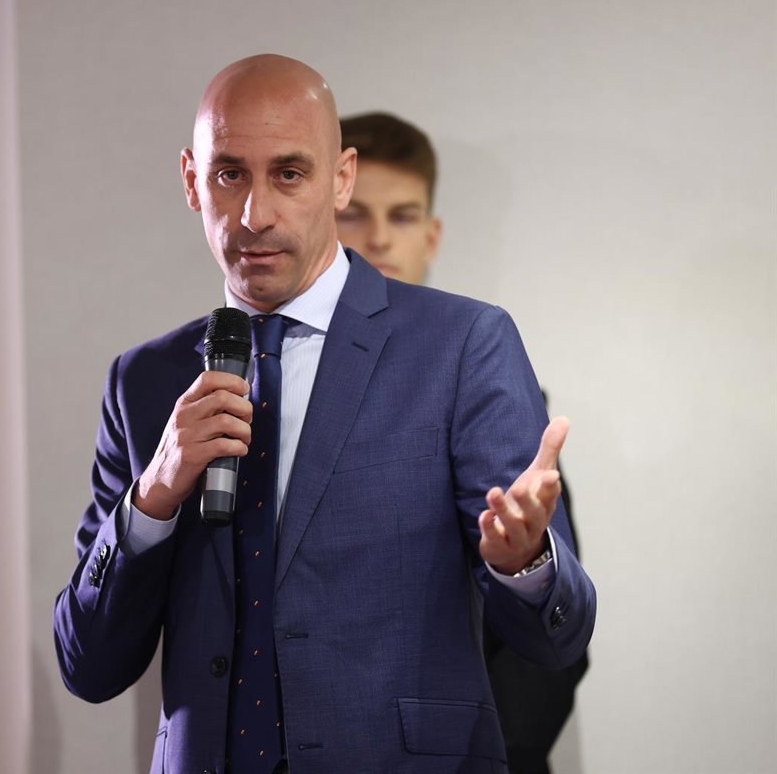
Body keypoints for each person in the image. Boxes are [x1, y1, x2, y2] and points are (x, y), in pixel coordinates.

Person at [54, 54, 595, 774]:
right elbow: (87, 665)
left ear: (340, 179)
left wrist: (524, 563)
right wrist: (151, 498)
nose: (255, 214)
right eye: (229, 174)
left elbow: (559, 641)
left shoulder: (462, 343)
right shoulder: (143, 380)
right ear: (191, 180)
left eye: (288, 174)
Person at [335, 111, 589, 774]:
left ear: (432, 234)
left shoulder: (494, 391)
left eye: (403, 215)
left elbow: (551, 641)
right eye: (354, 215)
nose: (379, 237)